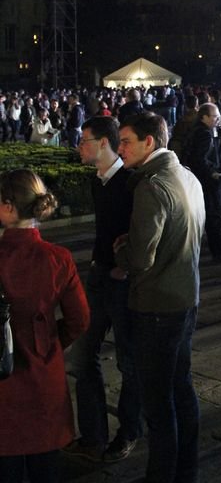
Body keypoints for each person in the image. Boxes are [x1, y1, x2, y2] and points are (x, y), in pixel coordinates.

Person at [114, 112, 205, 483]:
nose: (120, 149)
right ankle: (186, 471)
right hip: (186, 297)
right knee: (181, 388)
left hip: (156, 304)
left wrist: (121, 250)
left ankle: (161, 475)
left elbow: (140, 257)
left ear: (149, 141)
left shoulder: (151, 186)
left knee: (158, 401)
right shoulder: (187, 176)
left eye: (126, 141)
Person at [0, 169, 89, 482]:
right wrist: (51, 341)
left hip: (2, 381)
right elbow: (79, 319)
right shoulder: (58, 258)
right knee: (45, 467)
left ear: (8, 207)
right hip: (43, 373)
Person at [67, 117, 142, 464]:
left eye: (85, 140)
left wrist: (123, 267)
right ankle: (93, 434)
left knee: (129, 362)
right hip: (98, 276)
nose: (79, 146)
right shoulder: (99, 181)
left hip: (124, 283)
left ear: (104, 143)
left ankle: (128, 432)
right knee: (83, 356)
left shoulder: (130, 183)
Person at [188, 103, 221, 261]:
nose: (218, 119)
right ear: (204, 117)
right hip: (208, 181)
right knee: (214, 216)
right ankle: (218, 251)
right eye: (214, 116)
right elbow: (200, 159)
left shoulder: (200, 130)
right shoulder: (204, 134)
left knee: (210, 216)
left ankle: (215, 249)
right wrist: (214, 173)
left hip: (202, 180)